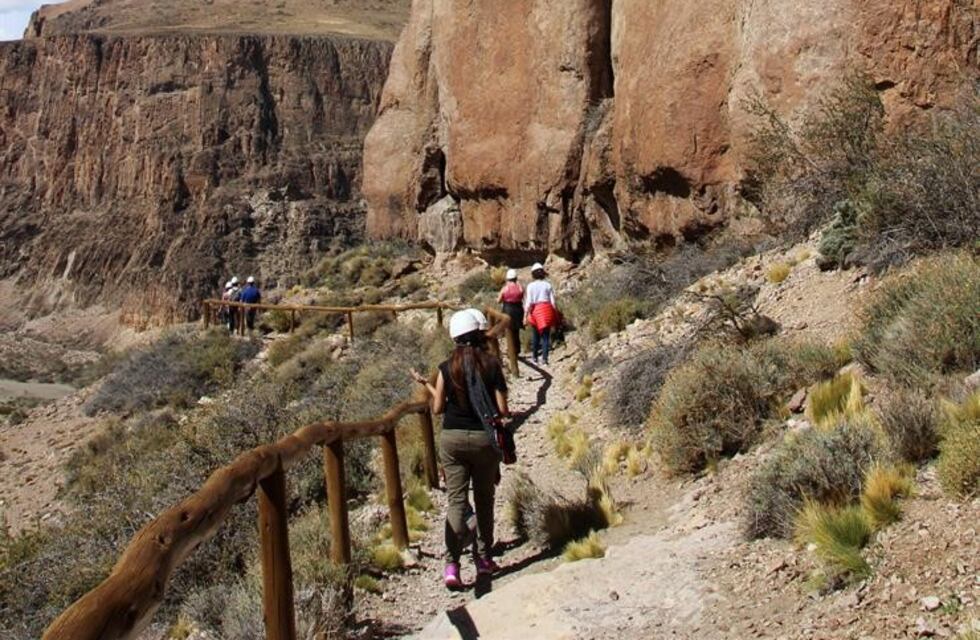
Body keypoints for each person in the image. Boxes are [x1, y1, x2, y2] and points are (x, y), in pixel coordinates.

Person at [410, 311, 510, 589]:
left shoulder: (446, 367)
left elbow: (438, 408)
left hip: (452, 440)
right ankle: (483, 559)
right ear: (479, 334)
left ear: (454, 337)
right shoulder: (491, 365)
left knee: (456, 502)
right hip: (482, 441)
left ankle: (452, 564)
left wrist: (429, 386)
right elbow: (502, 409)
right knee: (484, 500)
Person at [524, 262, 558, 365]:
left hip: (535, 311)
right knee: (545, 336)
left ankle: (534, 357)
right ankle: (545, 359)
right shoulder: (548, 285)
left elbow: (529, 302)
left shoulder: (530, 286)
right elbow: (553, 302)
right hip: (546, 310)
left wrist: (525, 315)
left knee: (535, 335)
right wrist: (555, 314)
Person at [497, 268, 524, 355]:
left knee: (509, 330)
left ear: (507, 279)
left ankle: (511, 350)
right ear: (516, 278)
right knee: (516, 331)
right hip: (518, 310)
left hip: (508, 309)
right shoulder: (520, 287)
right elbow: (522, 296)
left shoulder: (505, 288)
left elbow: (499, 300)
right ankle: (517, 349)